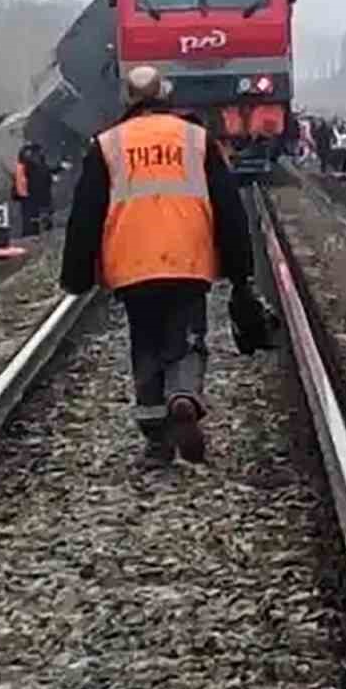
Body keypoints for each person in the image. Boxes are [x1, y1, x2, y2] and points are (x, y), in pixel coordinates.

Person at [61, 65, 257, 467]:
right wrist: (240, 272)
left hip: (132, 266)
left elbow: (85, 213)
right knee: (185, 337)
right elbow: (229, 209)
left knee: (145, 344)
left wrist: (77, 274)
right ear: (166, 97)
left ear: (128, 100)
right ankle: (183, 395)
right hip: (188, 260)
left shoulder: (108, 144)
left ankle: (156, 440)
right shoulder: (197, 140)